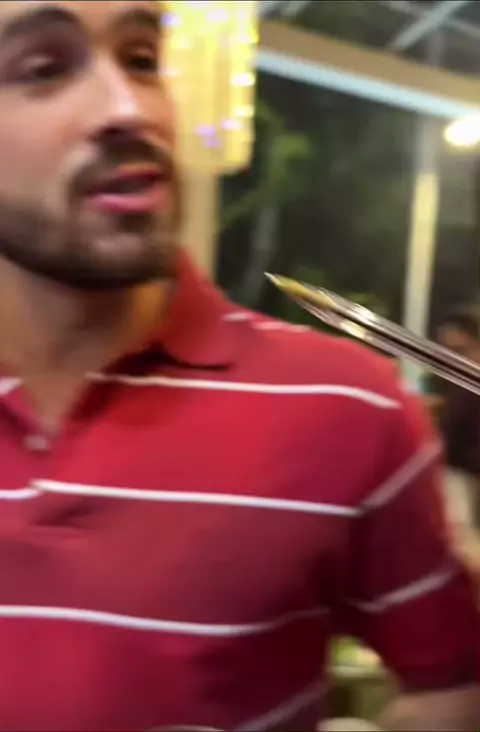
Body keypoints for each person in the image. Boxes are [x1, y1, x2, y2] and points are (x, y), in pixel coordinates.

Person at [0, 2, 477, 731]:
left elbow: (453, 685)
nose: (131, 109)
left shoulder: (346, 406)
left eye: (142, 59)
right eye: (44, 69)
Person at [437, 312, 480, 532]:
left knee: (461, 531)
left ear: (465, 335)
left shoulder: (470, 369)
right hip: (462, 462)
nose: (442, 339)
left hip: (465, 467)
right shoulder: (456, 369)